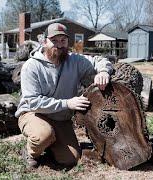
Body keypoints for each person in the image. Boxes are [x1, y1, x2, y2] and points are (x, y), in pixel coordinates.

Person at [15, 23, 113, 168]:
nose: (59, 45)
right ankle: (30, 152)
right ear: (44, 41)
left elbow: (99, 60)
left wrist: (104, 71)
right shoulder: (31, 66)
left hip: (60, 118)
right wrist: (67, 103)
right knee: (42, 135)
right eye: (54, 40)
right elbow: (32, 102)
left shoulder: (74, 61)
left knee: (70, 159)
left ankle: (49, 144)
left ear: (68, 42)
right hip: (33, 113)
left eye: (63, 40)